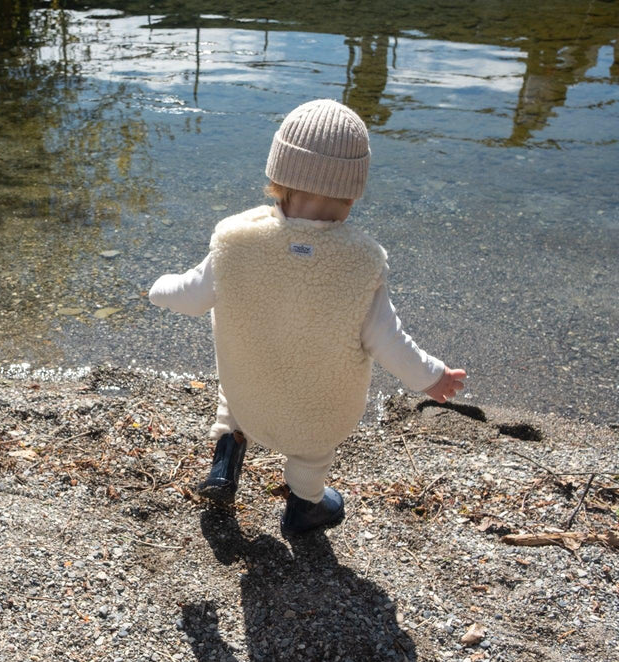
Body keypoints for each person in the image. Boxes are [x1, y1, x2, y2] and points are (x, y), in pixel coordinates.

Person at [149, 99, 466, 535]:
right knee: (312, 450)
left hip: (250, 395)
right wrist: (432, 378)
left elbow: (190, 295)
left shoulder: (236, 241)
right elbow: (388, 339)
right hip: (317, 413)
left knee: (233, 397)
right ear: (353, 190)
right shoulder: (360, 261)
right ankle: (305, 507)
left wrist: (158, 289)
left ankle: (225, 462)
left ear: (277, 174)